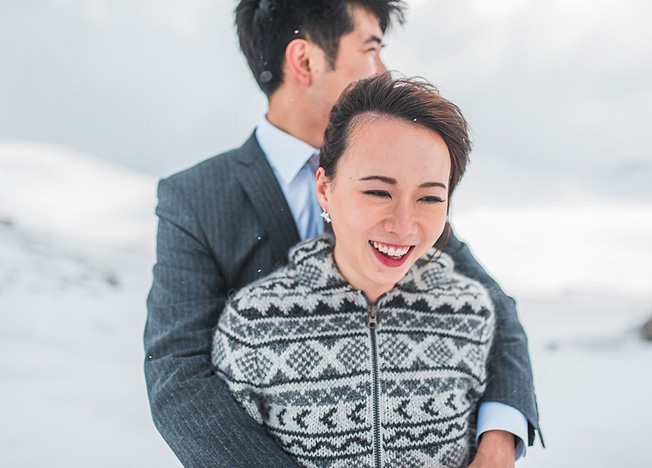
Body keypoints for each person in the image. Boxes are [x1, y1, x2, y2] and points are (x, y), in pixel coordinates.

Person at [144, 1, 541, 467]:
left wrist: (498, 443)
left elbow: (497, 314)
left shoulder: (404, 182)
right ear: (305, 60)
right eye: (371, 49)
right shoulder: (196, 197)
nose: (383, 70)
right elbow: (179, 374)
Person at [213, 72, 495, 467]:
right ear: (325, 190)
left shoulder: (469, 312)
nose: (403, 224)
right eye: (378, 192)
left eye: (429, 198)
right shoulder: (254, 323)